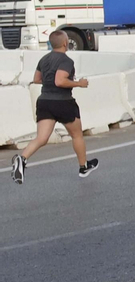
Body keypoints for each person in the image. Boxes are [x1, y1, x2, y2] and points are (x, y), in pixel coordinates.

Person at [11, 30, 98, 183]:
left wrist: (50, 81)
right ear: (65, 43)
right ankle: (83, 167)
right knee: (77, 135)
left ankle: (22, 159)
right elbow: (60, 81)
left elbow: (37, 80)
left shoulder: (44, 59)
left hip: (45, 101)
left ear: (51, 44)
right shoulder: (66, 61)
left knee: (41, 138)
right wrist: (79, 83)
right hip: (63, 102)